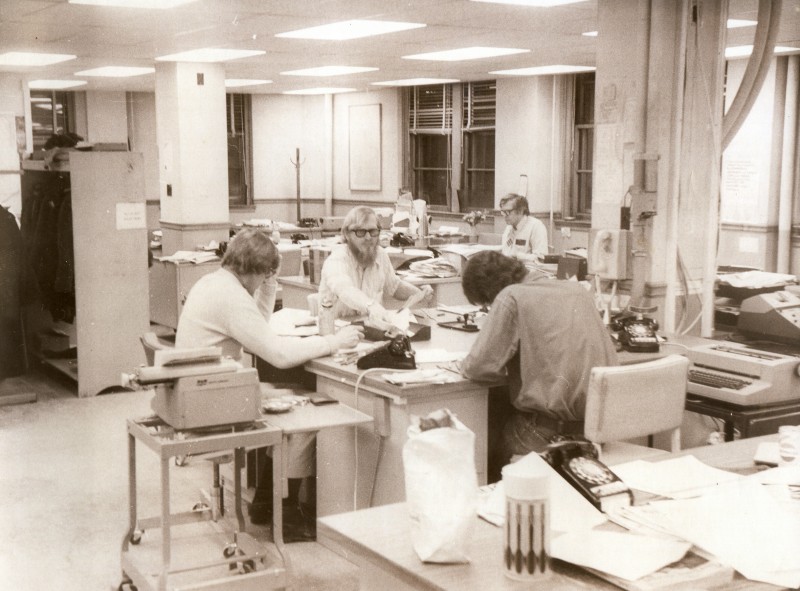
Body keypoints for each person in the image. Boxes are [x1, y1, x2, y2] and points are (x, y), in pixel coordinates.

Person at [176, 228, 363, 540]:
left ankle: (264, 501)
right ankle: (286, 514)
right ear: (254, 270)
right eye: (264, 276)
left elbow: (256, 327)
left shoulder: (213, 282)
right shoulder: (231, 296)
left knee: (286, 397)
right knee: (303, 411)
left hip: (199, 392)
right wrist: (333, 342)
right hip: (210, 403)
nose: (263, 282)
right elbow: (277, 354)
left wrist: (271, 282)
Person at [457, 251, 618, 474]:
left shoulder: (510, 297)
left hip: (550, 434)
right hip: (597, 430)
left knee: (485, 441)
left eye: (486, 305)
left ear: (489, 293)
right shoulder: (577, 290)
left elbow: (477, 368)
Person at [318, 205, 432, 324]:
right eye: (360, 232)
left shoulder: (380, 255)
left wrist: (419, 293)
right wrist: (371, 306)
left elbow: (394, 286)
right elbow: (345, 289)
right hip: (337, 333)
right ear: (347, 234)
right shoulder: (337, 259)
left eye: (373, 231)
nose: (368, 237)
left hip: (371, 329)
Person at [498, 193, 549, 263]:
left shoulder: (536, 226)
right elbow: (505, 251)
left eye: (507, 212)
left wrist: (517, 256)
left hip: (527, 271)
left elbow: (541, 258)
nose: (504, 216)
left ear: (520, 211)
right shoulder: (509, 228)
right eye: (502, 212)